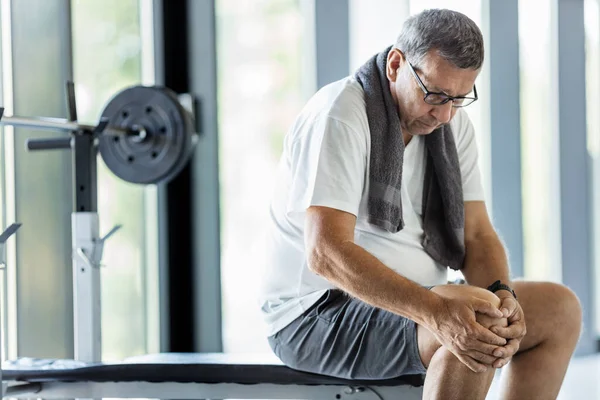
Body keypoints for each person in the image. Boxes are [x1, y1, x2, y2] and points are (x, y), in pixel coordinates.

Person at [259, 8, 582, 400]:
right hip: (315, 316)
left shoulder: (452, 125)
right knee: (473, 321)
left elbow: (477, 235)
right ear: (396, 64)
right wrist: (434, 310)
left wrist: (503, 295)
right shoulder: (342, 114)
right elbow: (326, 252)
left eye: (460, 98)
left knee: (557, 309)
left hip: (416, 300)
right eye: (436, 95)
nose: (445, 115)